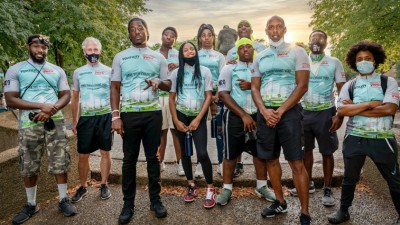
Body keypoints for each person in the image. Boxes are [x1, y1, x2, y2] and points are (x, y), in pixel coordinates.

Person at [4, 34, 76, 224]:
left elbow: (65, 95)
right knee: (29, 164)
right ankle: (31, 204)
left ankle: (63, 199)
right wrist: (40, 106)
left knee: (61, 161)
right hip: (29, 124)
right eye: (36, 46)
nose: (40, 50)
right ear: (28, 47)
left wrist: (51, 109)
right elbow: (10, 99)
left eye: (44, 48)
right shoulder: (16, 69)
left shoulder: (57, 70)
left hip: (56, 121)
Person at [328, 41, 400, 224]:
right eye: (359, 59)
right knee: (349, 178)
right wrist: (370, 104)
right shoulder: (350, 85)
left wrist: (355, 108)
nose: (363, 61)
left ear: (375, 60)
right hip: (355, 138)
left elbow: (389, 109)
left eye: (368, 58)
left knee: (394, 180)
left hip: (382, 139)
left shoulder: (387, 81)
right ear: (354, 62)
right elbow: (342, 111)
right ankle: (343, 211)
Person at [251, 16, 311, 225]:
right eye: (271, 27)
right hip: (265, 113)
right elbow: (255, 87)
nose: (275, 30)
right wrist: (264, 111)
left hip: (290, 114)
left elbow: (302, 85)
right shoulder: (260, 56)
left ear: (285, 29)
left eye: (278, 27)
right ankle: (279, 202)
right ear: (266, 31)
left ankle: (304, 211)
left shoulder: (297, 51)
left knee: (296, 162)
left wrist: (281, 110)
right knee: (270, 159)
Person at [110, 17, 170, 224]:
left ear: (147, 31)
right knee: (129, 161)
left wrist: (158, 82)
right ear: (129, 34)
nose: (137, 31)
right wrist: (116, 116)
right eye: (132, 29)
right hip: (129, 115)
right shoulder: (121, 57)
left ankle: (156, 201)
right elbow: (115, 87)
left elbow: (169, 85)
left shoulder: (158, 57)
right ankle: (128, 204)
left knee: (153, 159)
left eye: (140, 28)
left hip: (152, 114)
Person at [288, 30, 346, 206]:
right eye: (313, 37)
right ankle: (309, 183)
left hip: (325, 113)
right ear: (308, 41)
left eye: (321, 38)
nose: (316, 40)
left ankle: (327, 188)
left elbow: (342, 90)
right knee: (305, 150)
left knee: (327, 152)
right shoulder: (301, 61)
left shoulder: (334, 62)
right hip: (303, 112)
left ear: (326, 43)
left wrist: (339, 114)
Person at [216, 38, 276, 206]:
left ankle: (262, 186)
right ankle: (227, 188)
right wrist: (243, 115)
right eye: (241, 47)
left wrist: (252, 85)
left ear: (253, 49)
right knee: (231, 154)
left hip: (258, 115)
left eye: (248, 46)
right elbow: (223, 94)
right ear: (237, 51)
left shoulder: (260, 68)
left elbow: (268, 88)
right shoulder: (229, 68)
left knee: (259, 153)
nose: (245, 50)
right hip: (235, 117)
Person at [169, 41, 215, 208]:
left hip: (198, 116)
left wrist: (198, 119)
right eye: (185, 50)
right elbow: (172, 98)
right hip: (181, 116)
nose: (189, 51)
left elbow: (208, 96)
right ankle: (191, 185)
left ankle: (210, 188)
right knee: (185, 154)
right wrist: (176, 120)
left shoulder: (205, 71)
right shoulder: (175, 73)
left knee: (202, 153)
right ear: (181, 55)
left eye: (192, 49)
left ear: (196, 52)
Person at [70, 37, 112, 203]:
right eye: (89, 50)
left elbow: (115, 94)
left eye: (95, 50)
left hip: (105, 116)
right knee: (82, 155)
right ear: (84, 52)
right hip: (86, 117)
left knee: (105, 152)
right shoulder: (78, 72)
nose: (92, 53)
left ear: (100, 51)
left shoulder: (109, 71)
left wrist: (116, 117)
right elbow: (75, 97)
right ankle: (82, 186)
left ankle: (104, 184)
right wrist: (74, 121)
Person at [226, 20, 267, 177]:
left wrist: (253, 84)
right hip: (238, 105)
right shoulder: (231, 51)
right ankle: (238, 164)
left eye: (246, 26)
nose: (243, 28)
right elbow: (229, 69)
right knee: (235, 143)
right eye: (240, 27)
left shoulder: (262, 48)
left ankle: (262, 183)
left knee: (259, 147)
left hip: (257, 106)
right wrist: (229, 64)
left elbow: (266, 72)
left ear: (251, 29)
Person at [197, 23, 226, 177]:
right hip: (199, 96)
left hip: (217, 95)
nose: (207, 38)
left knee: (219, 131)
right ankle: (200, 165)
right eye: (204, 35)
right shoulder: (195, 55)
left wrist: (216, 97)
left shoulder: (220, 56)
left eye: (210, 35)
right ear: (200, 38)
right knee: (200, 131)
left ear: (214, 38)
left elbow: (223, 77)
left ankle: (221, 164)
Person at [155, 27, 184, 176]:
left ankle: (181, 163)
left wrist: (179, 65)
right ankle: (160, 161)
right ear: (162, 37)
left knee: (176, 131)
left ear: (175, 39)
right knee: (161, 132)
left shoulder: (179, 54)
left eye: (172, 36)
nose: (169, 37)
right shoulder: (154, 55)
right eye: (166, 35)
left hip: (174, 96)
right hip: (158, 97)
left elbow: (189, 68)